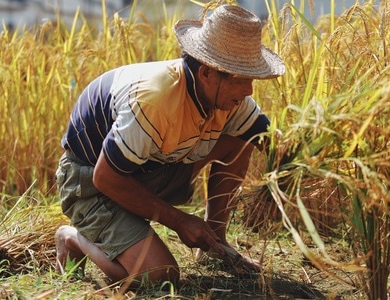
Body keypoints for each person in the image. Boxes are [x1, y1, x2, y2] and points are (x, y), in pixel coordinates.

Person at [54, 4, 285, 287]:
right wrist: (179, 221)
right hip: (92, 183)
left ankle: (214, 240)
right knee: (159, 276)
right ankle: (72, 239)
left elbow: (270, 140)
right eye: (241, 80)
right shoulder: (156, 100)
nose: (248, 91)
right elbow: (106, 177)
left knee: (241, 138)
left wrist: (297, 163)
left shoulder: (227, 98)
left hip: (150, 169)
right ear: (207, 73)